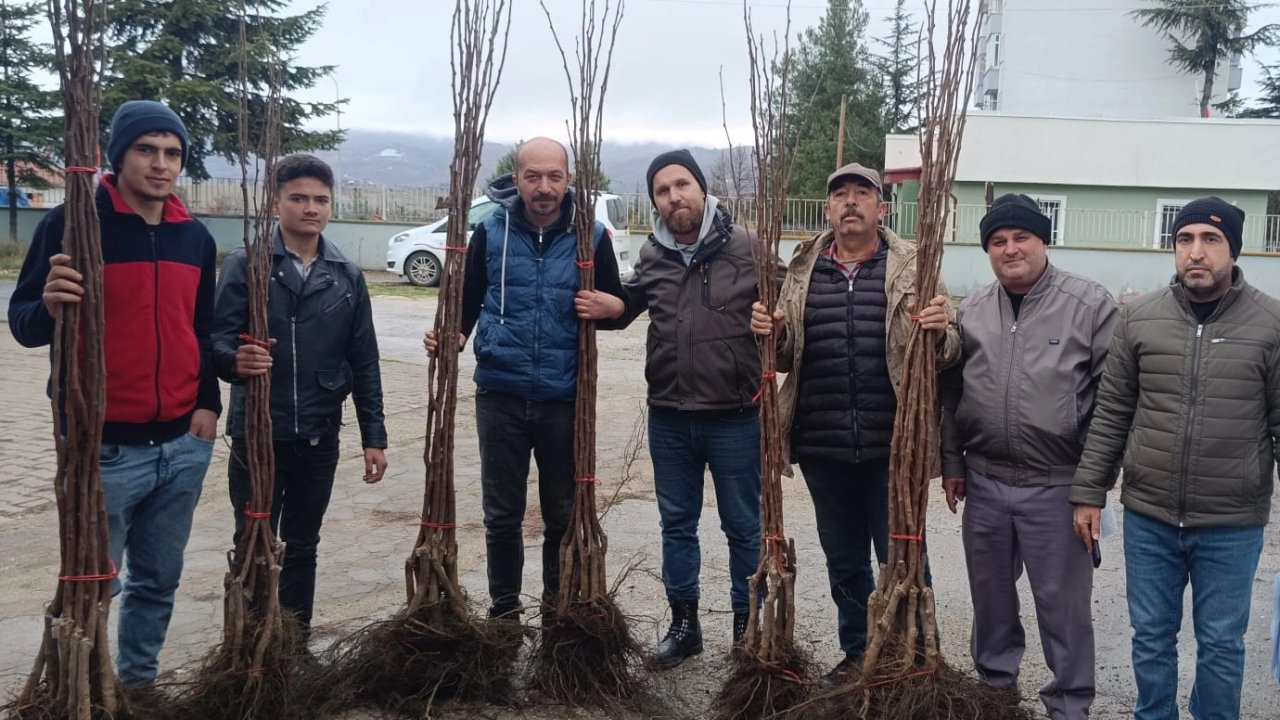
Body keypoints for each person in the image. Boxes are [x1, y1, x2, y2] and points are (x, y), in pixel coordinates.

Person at [7, 100, 220, 687]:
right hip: (102, 447)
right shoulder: (73, 224)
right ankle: (83, 689)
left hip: (181, 444)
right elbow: (23, 321)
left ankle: (137, 688)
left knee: (158, 581)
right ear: (119, 155)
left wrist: (208, 405)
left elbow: (200, 330)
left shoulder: (194, 237)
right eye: (145, 150)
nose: (160, 164)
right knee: (92, 582)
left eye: (172, 153)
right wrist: (49, 306)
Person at [750, 162, 960, 685]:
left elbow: (952, 350)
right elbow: (784, 357)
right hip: (823, 445)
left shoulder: (917, 266)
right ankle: (856, 652)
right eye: (839, 194)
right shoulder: (801, 271)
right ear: (827, 210)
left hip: (895, 444)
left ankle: (911, 656)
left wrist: (939, 333)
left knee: (904, 553)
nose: (850, 202)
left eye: (861, 194)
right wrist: (767, 334)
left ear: (881, 208)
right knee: (843, 559)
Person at [1072, 197, 1280, 720]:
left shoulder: (1271, 323)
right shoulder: (1140, 318)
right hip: (1150, 516)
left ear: (1233, 249)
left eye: (1210, 240)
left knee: (1222, 644)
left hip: (1231, 522)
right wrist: (1089, 492)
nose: (1196, 252)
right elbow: (1113, 411)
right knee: (1152, 638)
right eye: (1184, 240)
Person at [581, 150, 778, 668]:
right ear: (656, 202)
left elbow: (792, 299)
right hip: (669, 414)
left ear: (703, 189)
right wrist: (613, 306)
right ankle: (685, 625)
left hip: (734, 414)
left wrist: (778, 322)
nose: (674, 197)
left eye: (681, 185)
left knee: (743, 525)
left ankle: (746, 627)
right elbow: (635, 303)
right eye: (663, 191)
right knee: (676, 524)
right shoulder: (653, 255)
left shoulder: (747, 247)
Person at [424, 137, 625, 618]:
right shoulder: (491, 232)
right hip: (500, 394)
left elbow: (619, 306)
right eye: (533, 176)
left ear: (569, 180)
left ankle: (558, 613)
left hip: (563, 397)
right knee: (501, 516)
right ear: (516, 179)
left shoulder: (591, 237)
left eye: (554, 176)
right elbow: (468, 304)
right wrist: (451, 336)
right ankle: (505, 613)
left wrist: (610, 306)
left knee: (561, 516)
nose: (544, 187)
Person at [939, 193, 1116, 719]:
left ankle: (1069, 703)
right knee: (990, 597)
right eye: (998, 241)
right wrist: (952, 463)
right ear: (987, 251)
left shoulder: (1090, 306)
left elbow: (1113, 404)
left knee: (1062, 606)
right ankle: (996, 692)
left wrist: (1092, 488)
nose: (1010, 249)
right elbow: (951, 394)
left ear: (1043, 240)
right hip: (987, 480)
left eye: (1021, 237)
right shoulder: (970, 312)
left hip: (1058, 486)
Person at [211, 153, 387, 637]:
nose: (311, 208)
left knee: (303, 544)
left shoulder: (346, 276)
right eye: (299, 198)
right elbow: (216, 339)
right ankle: (248, 645)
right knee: (252, 540)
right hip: (256, 434)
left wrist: (375, 436)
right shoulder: (248, 265)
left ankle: (293, 642)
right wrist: (234, 362)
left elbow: (365, 361)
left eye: (321, 199)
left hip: (318, 435)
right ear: (276, 201)